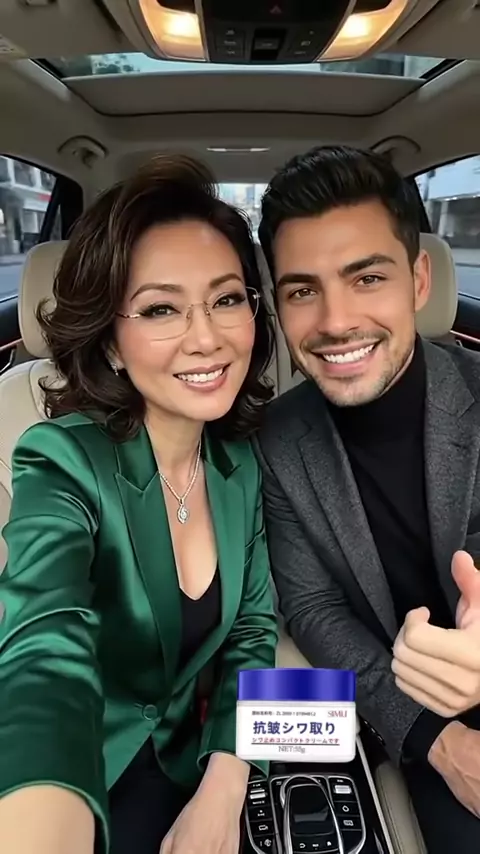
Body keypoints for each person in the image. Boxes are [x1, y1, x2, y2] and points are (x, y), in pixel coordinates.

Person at [0, 154, 278, 854]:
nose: (207, 338)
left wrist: (227, 782)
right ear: (113, 345)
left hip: (186, 764)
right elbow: (44, 642)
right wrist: (45, 820)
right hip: (74, 768)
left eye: (227, 299)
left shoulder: (240, 464)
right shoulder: (63, 458)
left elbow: (251, 633)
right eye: (160, 309)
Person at [255, 144, 480, 852]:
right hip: (413, 714)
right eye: (302, 291)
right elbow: (313, 608)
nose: (335, 321)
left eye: (367, 278)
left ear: (418, 281)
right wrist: (437, 740)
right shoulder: (276, 441)